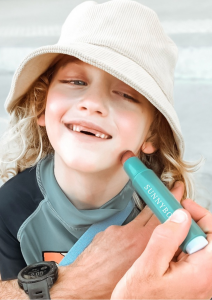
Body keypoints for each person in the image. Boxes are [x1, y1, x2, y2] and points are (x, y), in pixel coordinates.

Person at [0, 0, 209, 299]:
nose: (93, 103)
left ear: (151, 135)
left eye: (125, 94)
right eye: (75, 81)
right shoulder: (10, 208)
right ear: (42, 107)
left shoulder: (164, 219)